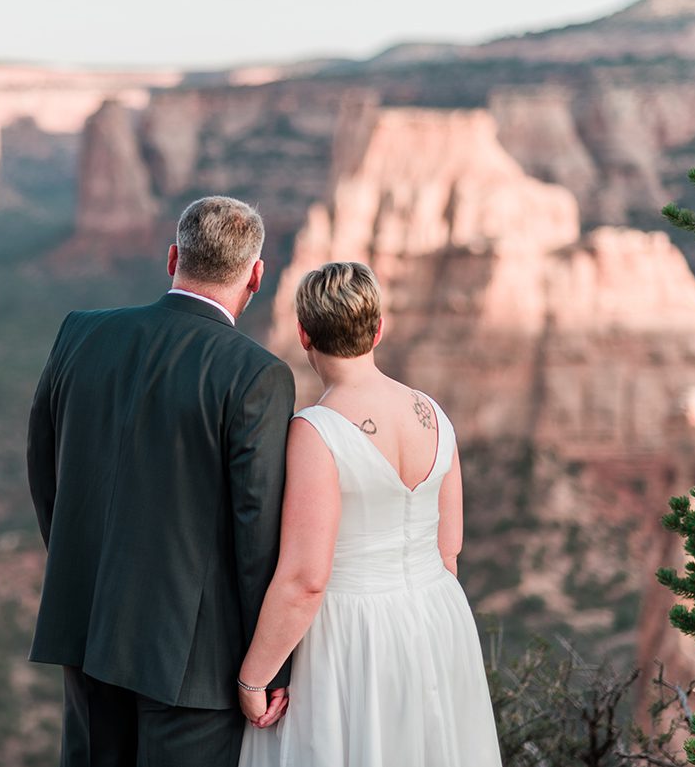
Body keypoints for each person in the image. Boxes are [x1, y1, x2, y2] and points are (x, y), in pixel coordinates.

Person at [27, 196, 296, 766]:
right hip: (193, 659)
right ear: (256, 275)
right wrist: (267, 665)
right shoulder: (256, 375)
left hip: (88, 625)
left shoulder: (80, 333)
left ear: (173, 257)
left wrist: (82, 566)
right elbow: (257, 535)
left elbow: (43, 468)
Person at [237, 261, 501, 767]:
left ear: (303, 334)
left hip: (351, 635)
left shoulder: (315, 430)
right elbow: (450, 547)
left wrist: (255, 677)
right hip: (436, 617)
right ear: (378, 329)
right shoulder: (432, 413)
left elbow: (305, 580)